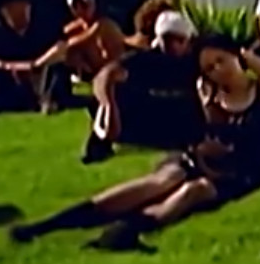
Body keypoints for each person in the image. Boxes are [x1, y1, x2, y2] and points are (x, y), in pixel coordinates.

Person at [10, 33, 260, 252]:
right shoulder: (209, 95)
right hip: (202, 158)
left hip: (240, 171)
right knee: (160, 181)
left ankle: (127, 232)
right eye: (209, 67)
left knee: (194, 191)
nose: (217, 70)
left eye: (221, 61)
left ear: (237, 57)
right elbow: (206, 137)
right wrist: (207, 133)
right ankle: (47, 226)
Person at [82, 10, 208, 164]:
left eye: (178, 40)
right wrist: (109, 105)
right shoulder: (146, 59)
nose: (172, 46)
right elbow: (104, 77)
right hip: (151, 117)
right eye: (167, 40)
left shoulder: (200, 60)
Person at [57, 0, 130, 82]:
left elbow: (71, 44)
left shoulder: (103, 24)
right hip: (93, 76)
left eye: (89, 3)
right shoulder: (72, 29)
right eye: (82, 5)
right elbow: (65, 48)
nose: (87, 8)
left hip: (117, 72)